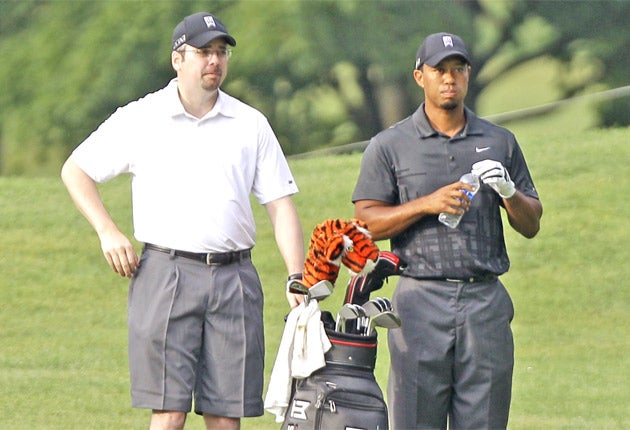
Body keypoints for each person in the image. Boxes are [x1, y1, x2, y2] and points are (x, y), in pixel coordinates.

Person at [61, 12, 305, 430]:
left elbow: (280, 205)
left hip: (235, 279)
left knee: (225, 416)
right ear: (178, 59)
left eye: (221, 52)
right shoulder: (142, 117)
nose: (214, 61)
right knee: (169, 412)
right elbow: (76, 171)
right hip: (165, 272)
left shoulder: (250, 124)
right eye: (204, 52)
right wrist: (107, 230)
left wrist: (295, 274)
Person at [352, 32, 542, 429]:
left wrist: (509, 192)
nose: (449, 78)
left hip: (484, 300)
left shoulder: (499, 141)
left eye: (458, 69)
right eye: (440, 70)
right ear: (420, 76)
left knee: (485, 421)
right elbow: (366, 222)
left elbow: (531, 224)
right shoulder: (390, 144)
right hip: (419, 300)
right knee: (417, 421)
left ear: (468, 76)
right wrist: (427, 204)